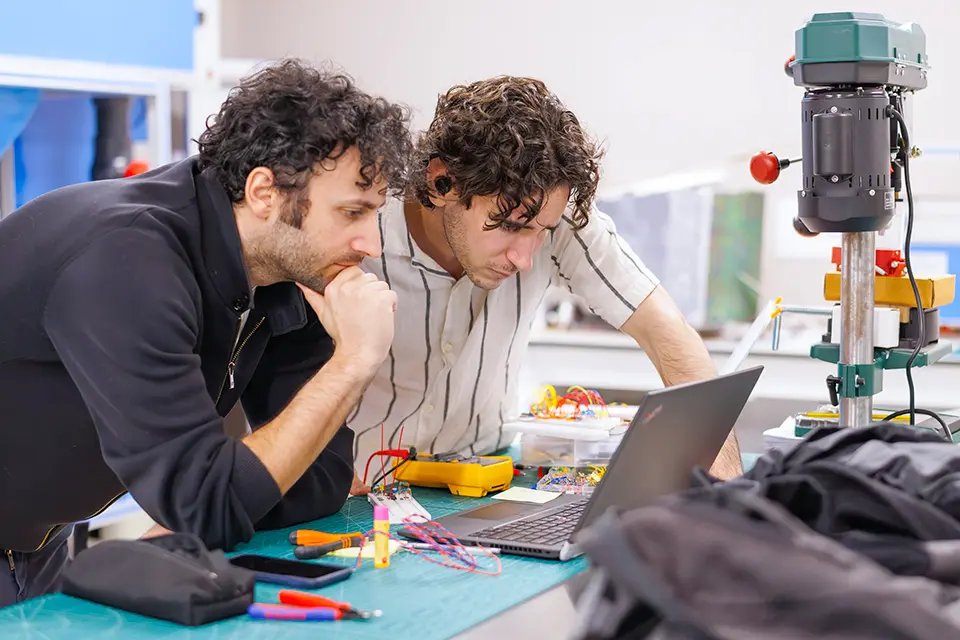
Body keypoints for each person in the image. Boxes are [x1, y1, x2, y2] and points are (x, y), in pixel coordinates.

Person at [0, 59, 411, 607]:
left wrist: (236, 489)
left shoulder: (282, 270)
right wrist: (352, 362)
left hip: (40, 544)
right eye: (352, 212)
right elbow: (207, 508)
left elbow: (317, 482)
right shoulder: (127, 259)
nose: (371, 245)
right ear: (264, 191)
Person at [347, 76, 742, 493]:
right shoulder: (359, 230)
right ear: (442, 182)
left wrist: (729, 494)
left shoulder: (558, 222)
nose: (525, 257)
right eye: (511, 225)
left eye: (541, 230)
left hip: (485, 480)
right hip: (353, 490)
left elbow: (668, 333)